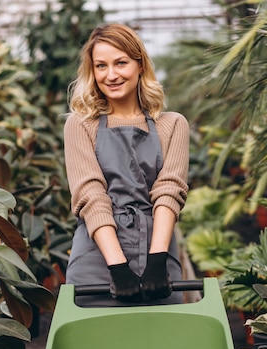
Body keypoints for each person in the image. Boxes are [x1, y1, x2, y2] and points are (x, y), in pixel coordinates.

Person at [63, 23, 189, 305]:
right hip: (97, 259)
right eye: (101, 66)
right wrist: (118, 268)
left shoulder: (172, 125)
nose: (111, 75)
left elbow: (169, 191)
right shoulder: (80, 125)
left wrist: (157, 261)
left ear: (140, 65)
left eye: (120, 63)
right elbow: (91, 196)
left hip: (158, 252)